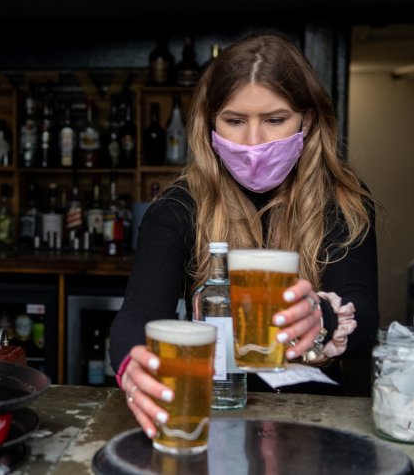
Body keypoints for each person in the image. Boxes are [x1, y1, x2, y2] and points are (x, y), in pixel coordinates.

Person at [108, 32, 378, 438]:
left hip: (315, 424)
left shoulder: (343, 201)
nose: (254, 143)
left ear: (307, 119)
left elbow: (365, 316)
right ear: (209, 123)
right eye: (234, 121)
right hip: (213, 414)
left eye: (274, 120)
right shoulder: (179, 207)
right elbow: (139, 314)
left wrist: (320, 318)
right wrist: (134, 367)